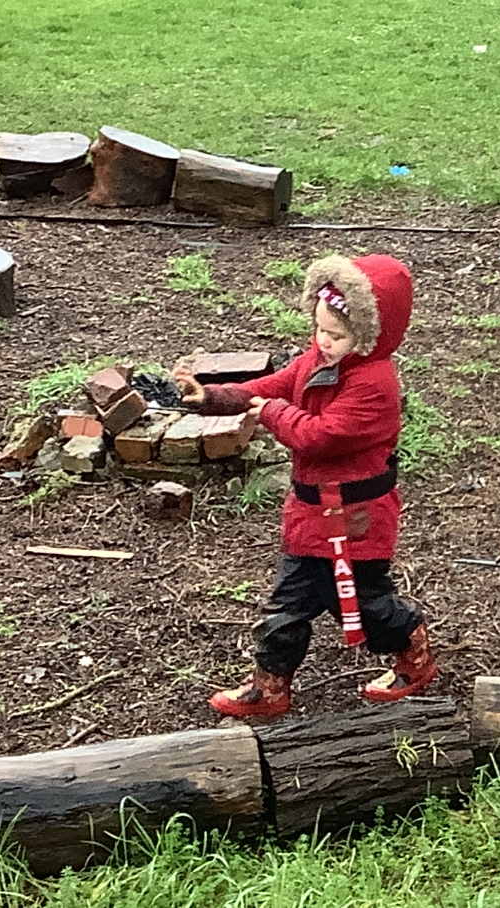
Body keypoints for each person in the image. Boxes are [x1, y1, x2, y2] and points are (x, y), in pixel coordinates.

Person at [175, 253, 436, 719]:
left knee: (364, 603)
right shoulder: (320, 359)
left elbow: (319, 436)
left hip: (356, 519)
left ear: (369, 335)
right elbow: (276, 383)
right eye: (319, 329)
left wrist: (271, 413)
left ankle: (411, 648)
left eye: (336, 335)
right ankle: (270, 685)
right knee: (288, 601)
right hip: (312, 513)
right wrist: (215, 397)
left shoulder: (373, 386)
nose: (323, 341)